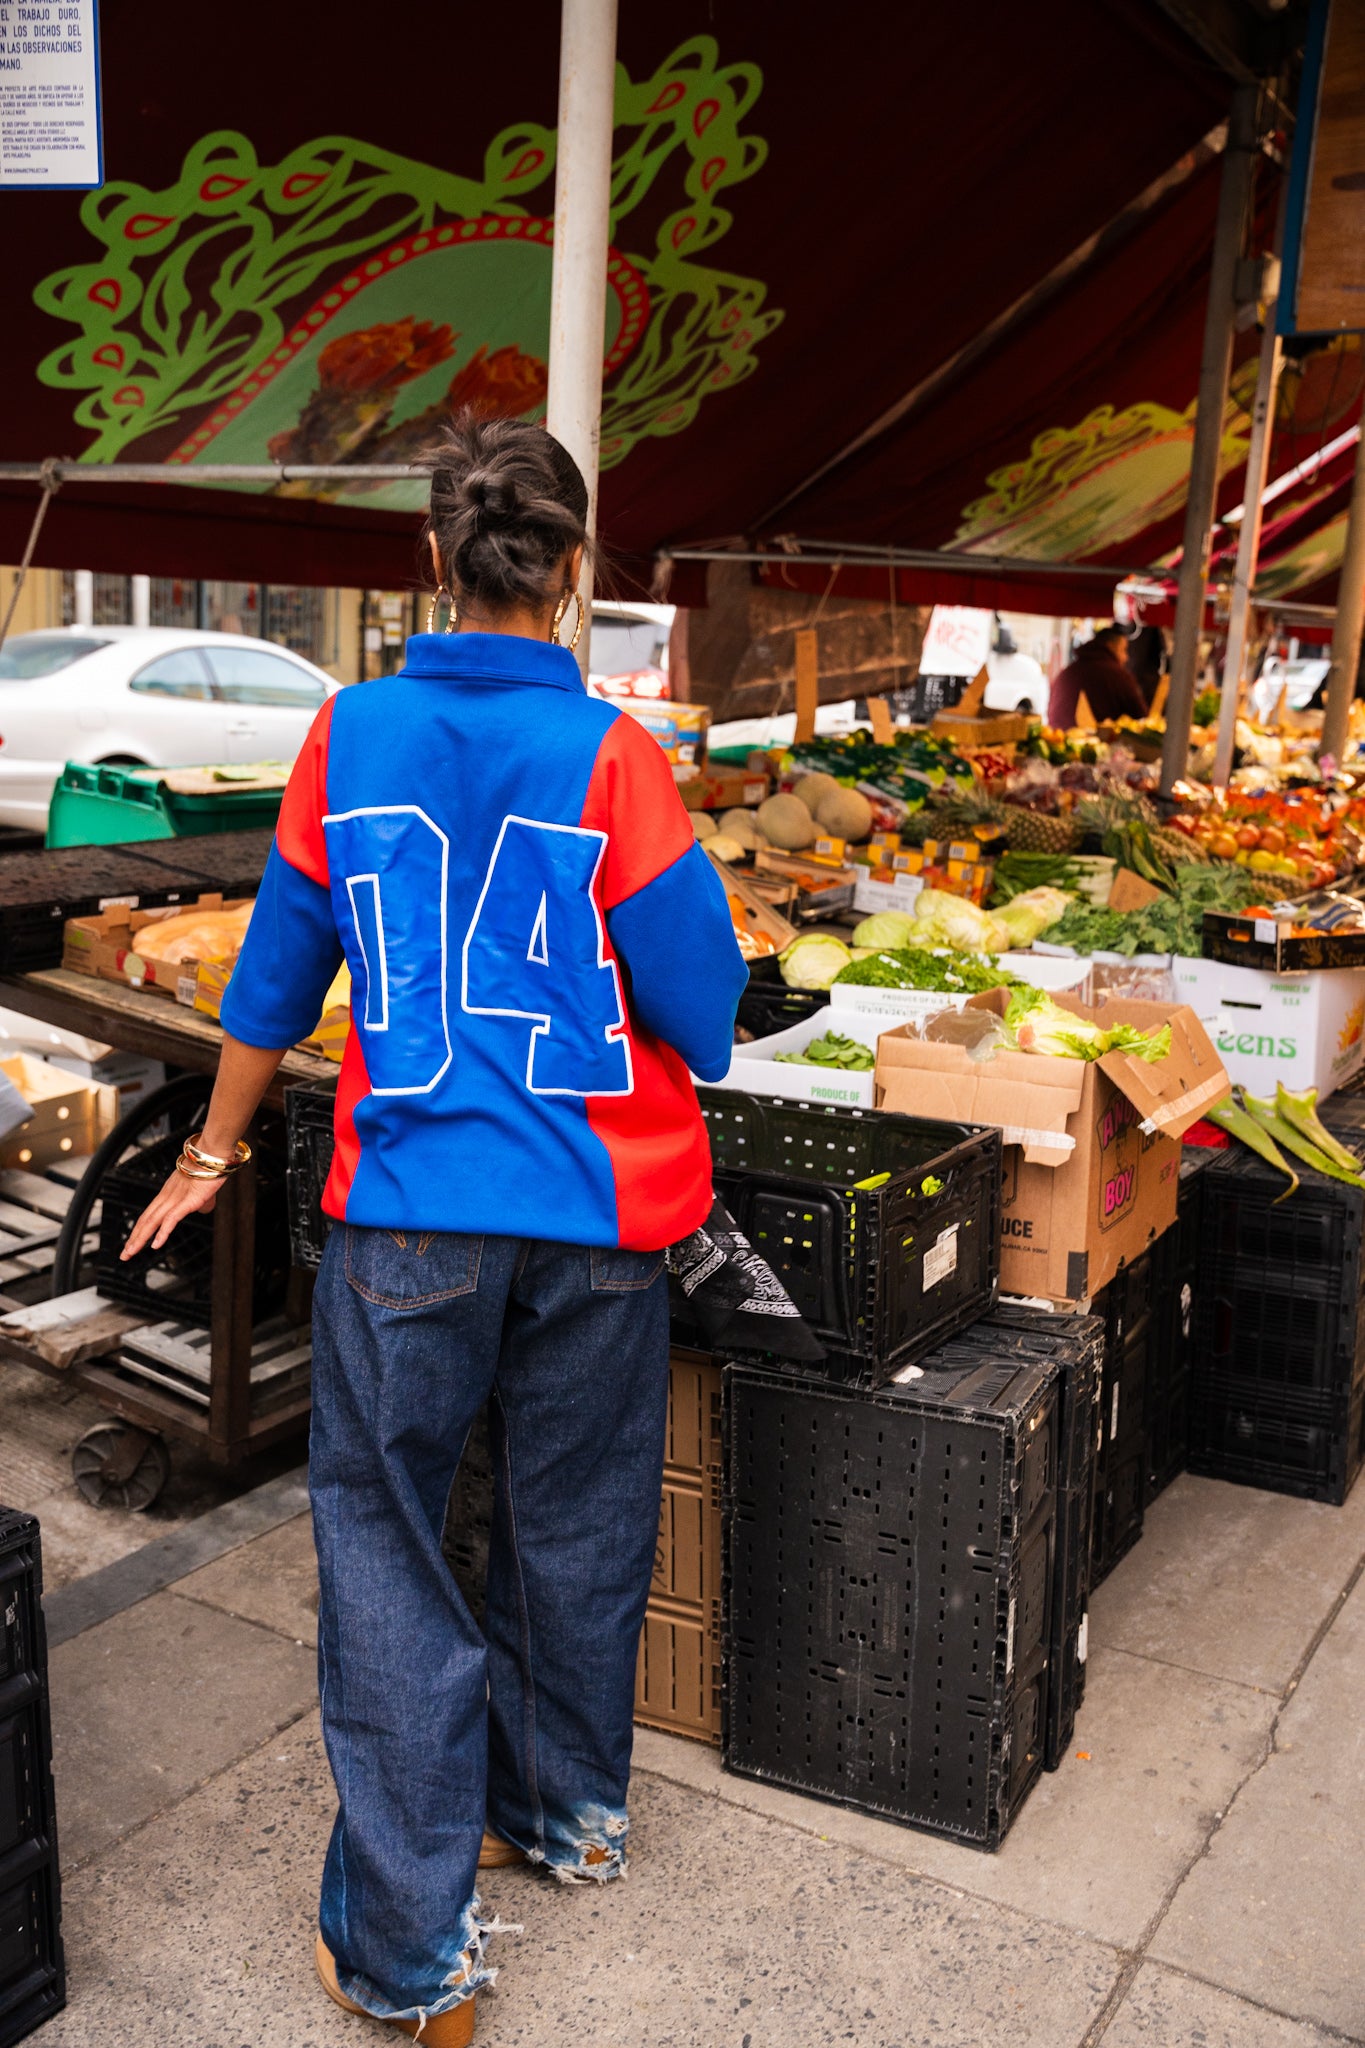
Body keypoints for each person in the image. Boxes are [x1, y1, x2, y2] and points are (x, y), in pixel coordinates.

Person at [121, 412, 748, 2046]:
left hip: (407, 1223)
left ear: (431, 561)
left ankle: (410, 1958)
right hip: (604, 1217)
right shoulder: (620, 759)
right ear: (575, 566)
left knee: (393, 1559)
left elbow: (273, 971)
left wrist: (214, 1145)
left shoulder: (350, 731)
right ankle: (562, 1815)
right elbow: (705, 1006)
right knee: (576, 1521)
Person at [1048, 622, 1148, 728]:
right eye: (1123, 650)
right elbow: (1141, 717)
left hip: (1057, 737)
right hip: (1091, 741)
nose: (1126, 657)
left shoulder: (1068, 671)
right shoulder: (1119, 676)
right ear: (1111, 647)